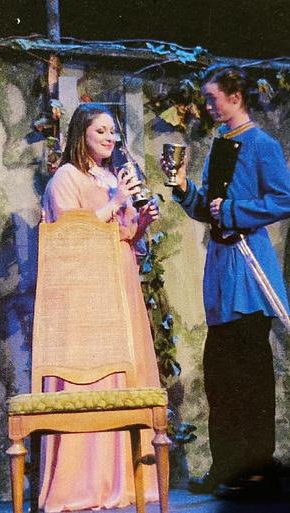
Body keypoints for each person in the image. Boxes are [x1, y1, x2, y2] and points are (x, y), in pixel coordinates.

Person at [165, 65, 290, 499]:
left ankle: (255, 471)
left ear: (235, 97)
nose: (207, 105)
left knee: (251, 378)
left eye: (212, 97)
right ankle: (226, 466)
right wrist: (185, 188)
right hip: (221, 269)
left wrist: (234, 211)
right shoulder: (221, 143)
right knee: (220, 378)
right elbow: (209, 207)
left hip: (249, 268)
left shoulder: (262, 144)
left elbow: (283, 199)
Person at [40, 102, 161, 511]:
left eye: (113, 132)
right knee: (91, 377)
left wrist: (141, 221)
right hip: (85, 295)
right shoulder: (66, 178)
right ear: (82, 134)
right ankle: (85, 481)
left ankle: (127, 478)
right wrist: (114, 201)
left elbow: (123, 236)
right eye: (101, 131)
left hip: (119, 280)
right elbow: (70, 238)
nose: (110, 138)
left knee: (125, 371)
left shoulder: (112, 177)